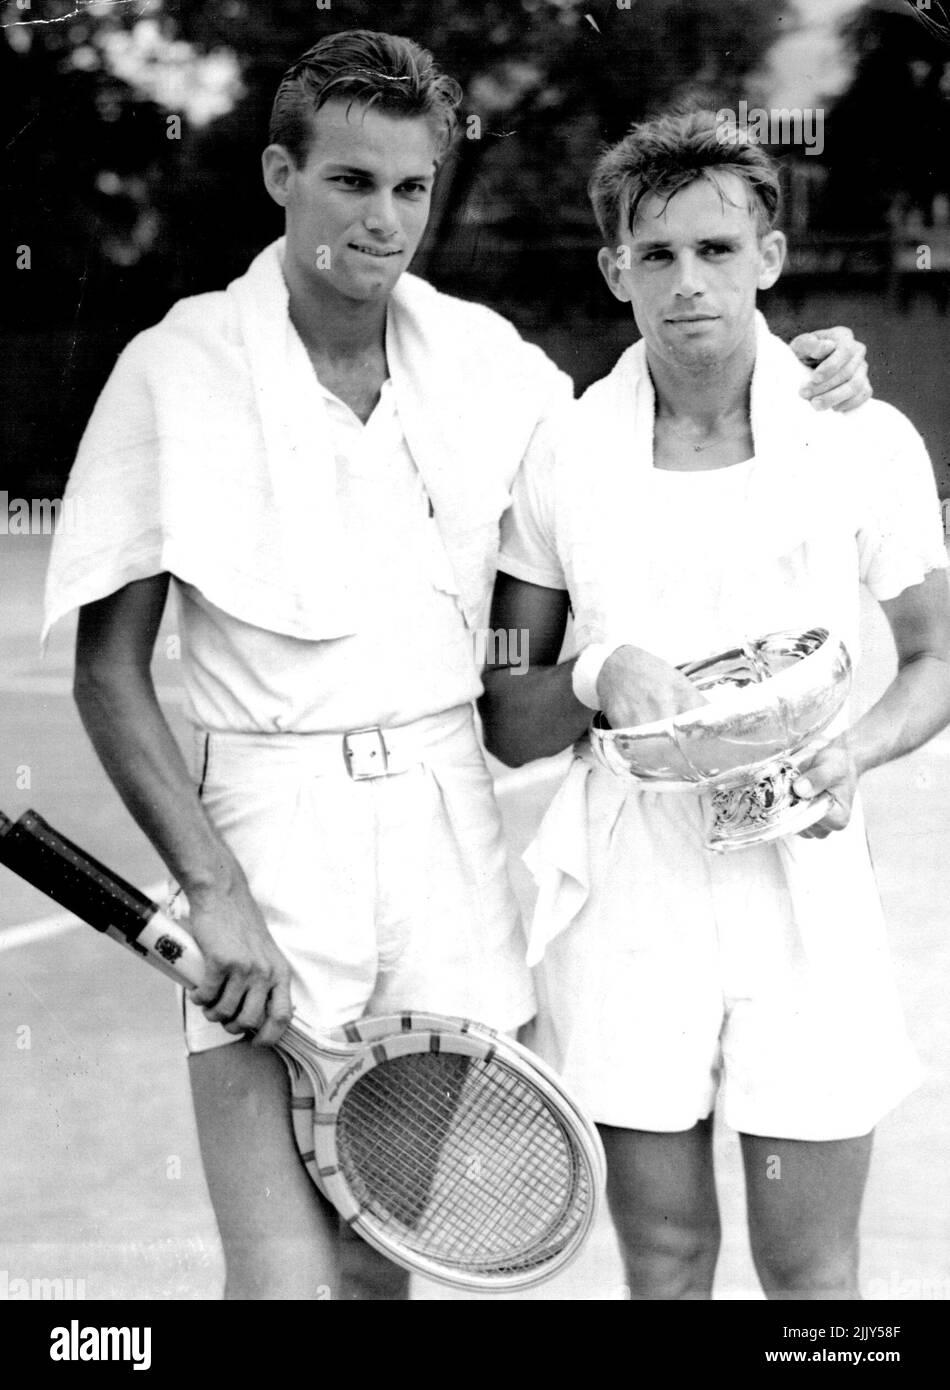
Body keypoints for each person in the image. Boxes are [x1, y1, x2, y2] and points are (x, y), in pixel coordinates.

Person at [43, 31, 873, 1302]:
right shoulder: (176, 366)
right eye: (350, 182)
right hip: (266, 829)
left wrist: (797, 358)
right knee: (278, 1281)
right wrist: (211, 890)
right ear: (280, 173)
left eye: (411, 188)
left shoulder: (488, 364)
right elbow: (113, 673)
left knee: (383, 1270)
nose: (383, 221)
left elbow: (654, 385)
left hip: (446, 833)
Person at [481, 110, 950, 1301]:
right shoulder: (562, 452)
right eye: (655, 255)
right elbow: (503, 705)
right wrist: (593, 676)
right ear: (613, 269)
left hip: (801, 869)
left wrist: (854, 750)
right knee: (669, 1259)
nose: (687, 283)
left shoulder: (863, 440)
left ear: (769, 259)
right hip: (628, 882)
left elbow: (934, 653)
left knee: (808, 1272)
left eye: (716, 250)